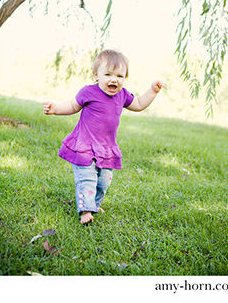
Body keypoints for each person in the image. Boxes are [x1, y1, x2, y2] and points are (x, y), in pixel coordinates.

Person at [43, 49, 164, 225]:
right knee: (87, 178)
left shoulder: (122, 95)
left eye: (119, 76)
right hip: (85, 146)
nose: (113, 79)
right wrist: (55, 109)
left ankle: (95, 204)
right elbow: (72, 105)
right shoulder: (88, 92)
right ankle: (85, 210)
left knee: (104, 182)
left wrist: (152, 91)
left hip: (107, 148)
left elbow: (138, 104)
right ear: (96, 75)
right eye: (107, 74)